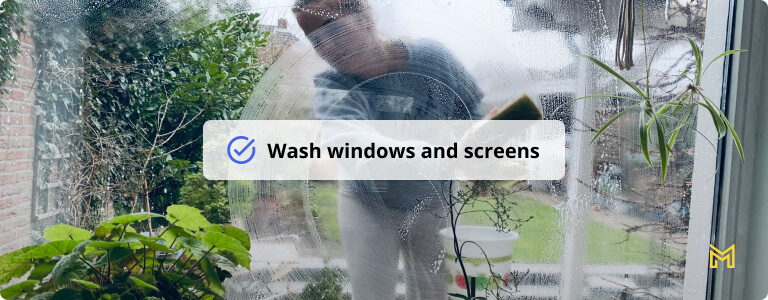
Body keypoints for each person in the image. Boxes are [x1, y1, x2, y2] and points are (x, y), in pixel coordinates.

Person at [293, 1, 485, 298]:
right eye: (315, 40)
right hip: (366, 202)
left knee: (433, 294)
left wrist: (483, 150)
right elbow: (351, 144)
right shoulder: (333, 85)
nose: (327, 44)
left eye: (333, 27)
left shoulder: (433, 60)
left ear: (366, 17)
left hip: (433, 200)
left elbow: (472, 109)